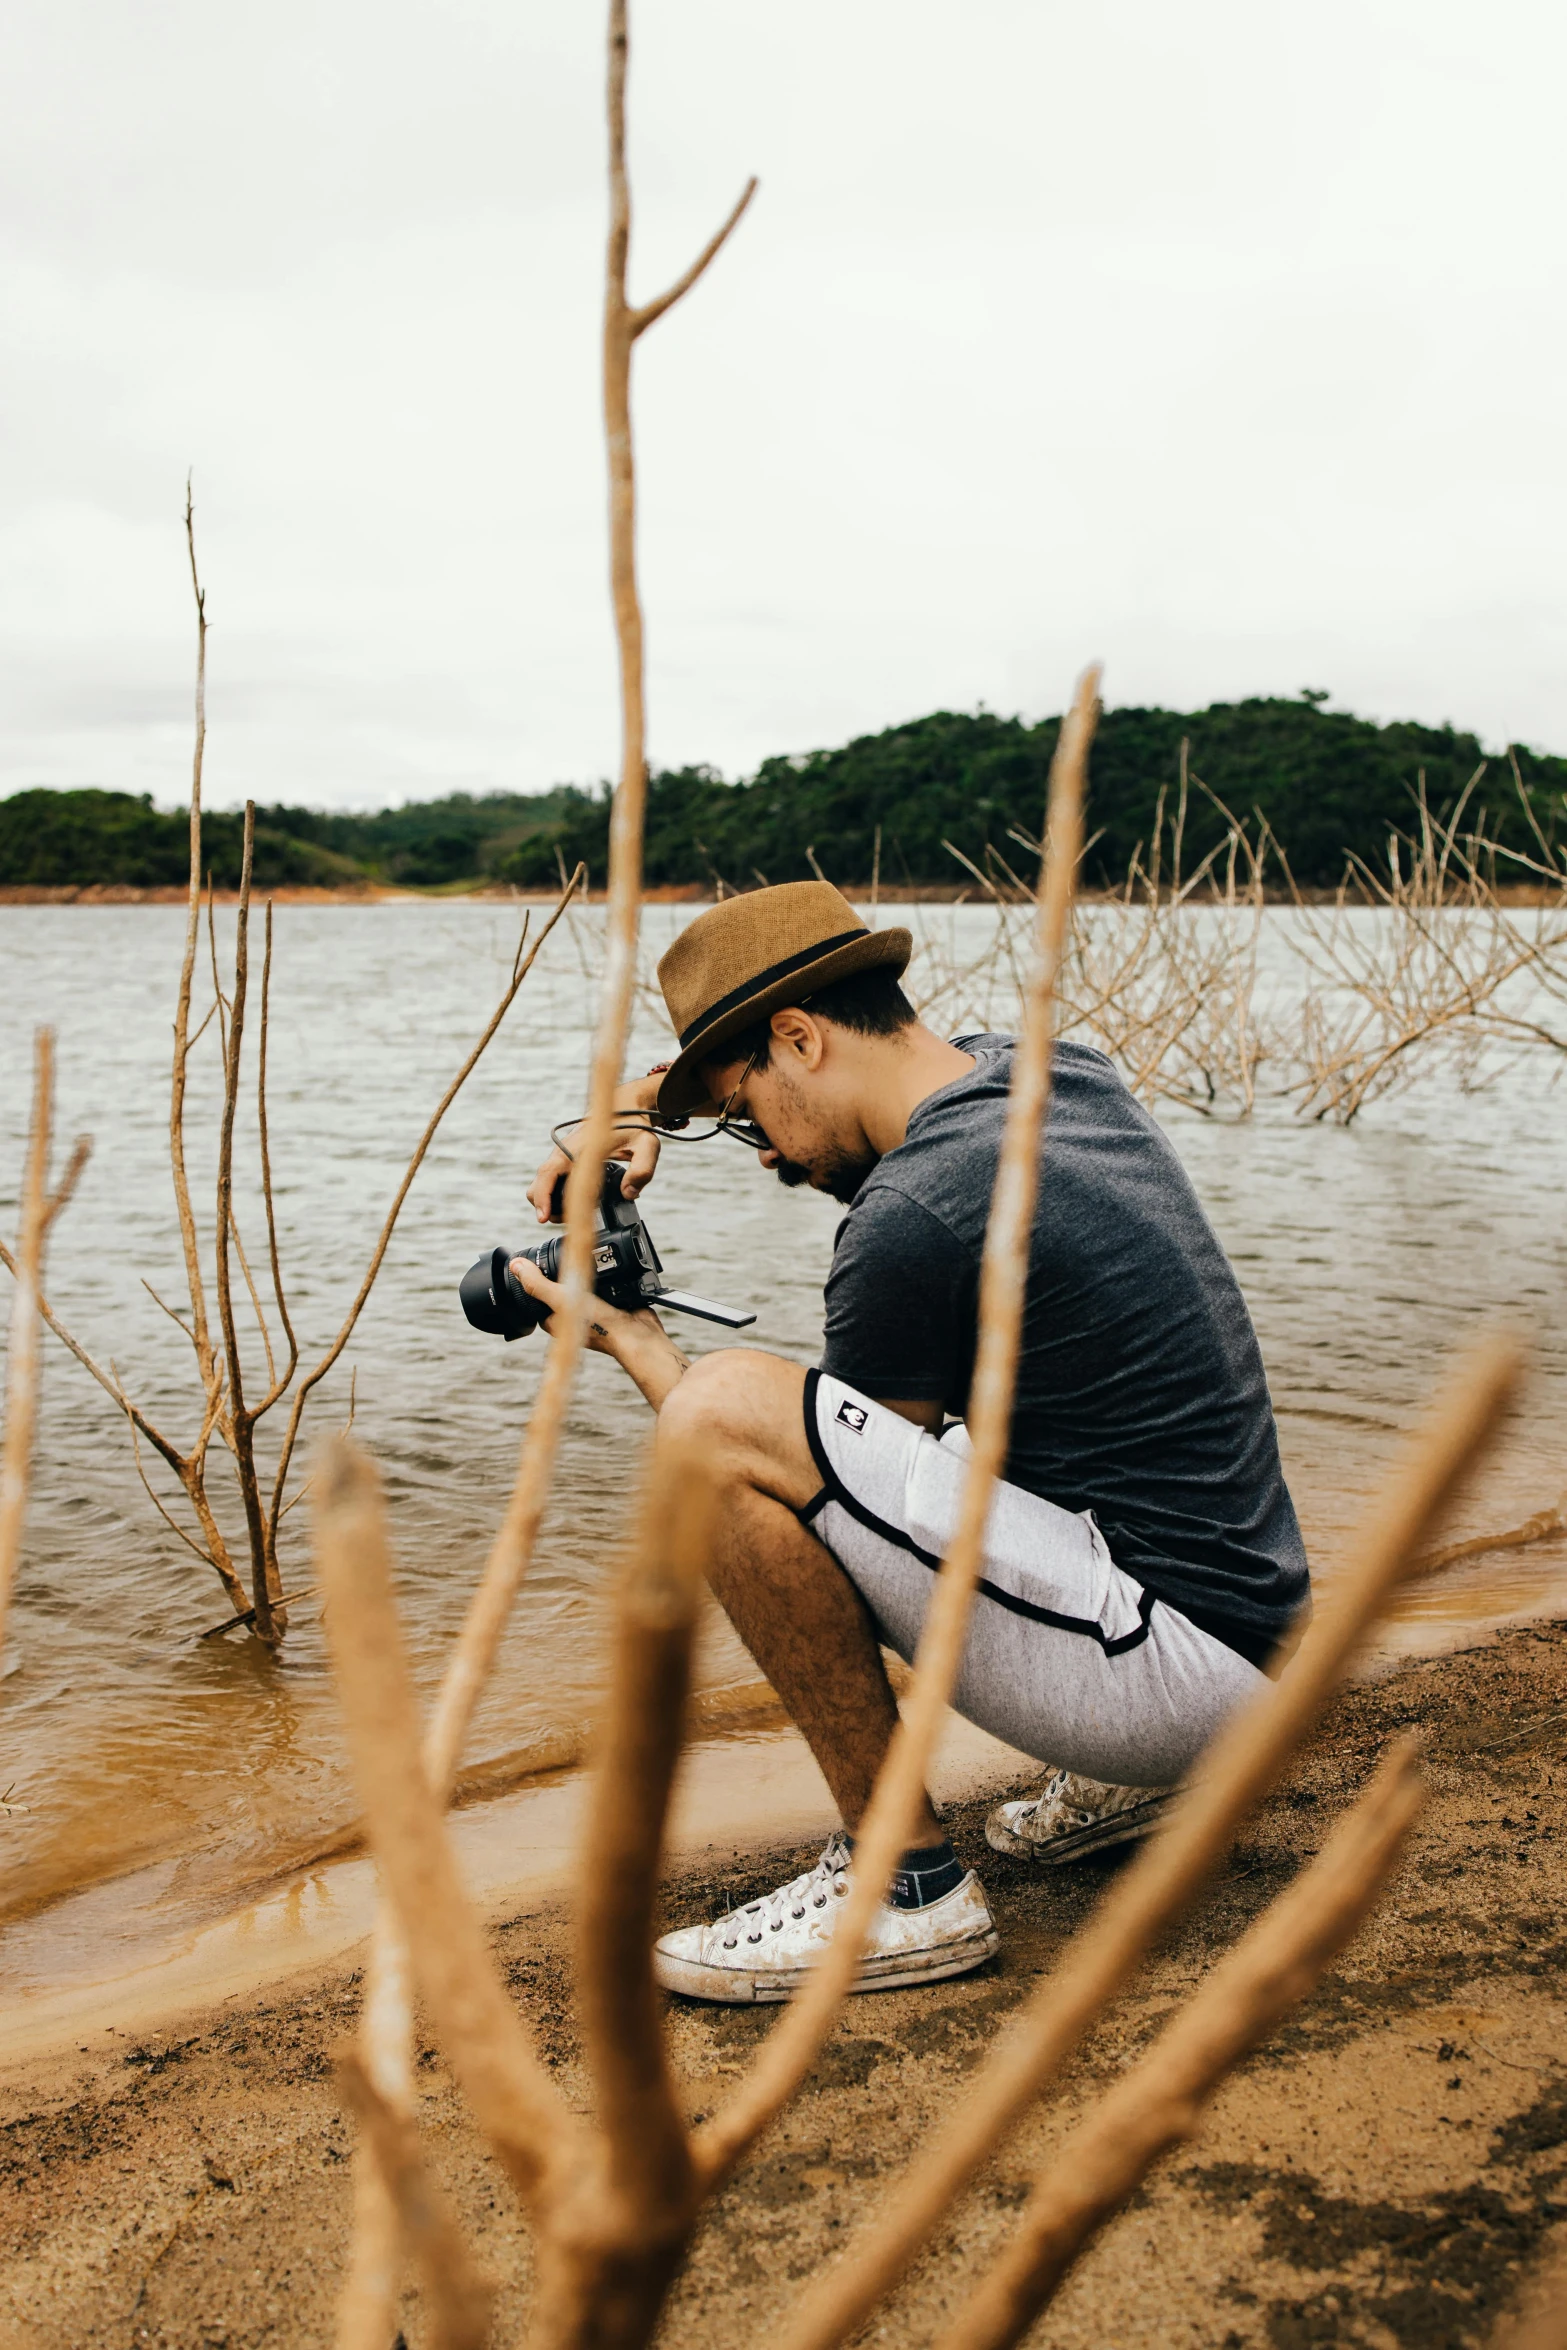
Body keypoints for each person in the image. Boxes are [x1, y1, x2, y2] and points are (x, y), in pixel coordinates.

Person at [519, 881, 1309, 2004]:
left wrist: (641, 1349)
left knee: (720, 1414)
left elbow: (823, 1513)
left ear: (800, 1035)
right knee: (765, 1416)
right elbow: (898, 1494)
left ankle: (907, 1887)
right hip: (1257, 1636)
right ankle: (1144, 1783)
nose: (759, 1153)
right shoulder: (1053, 1075)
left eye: (747, 1112)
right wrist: (652, 1107)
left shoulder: (911, 1216)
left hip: (1173, 1684)